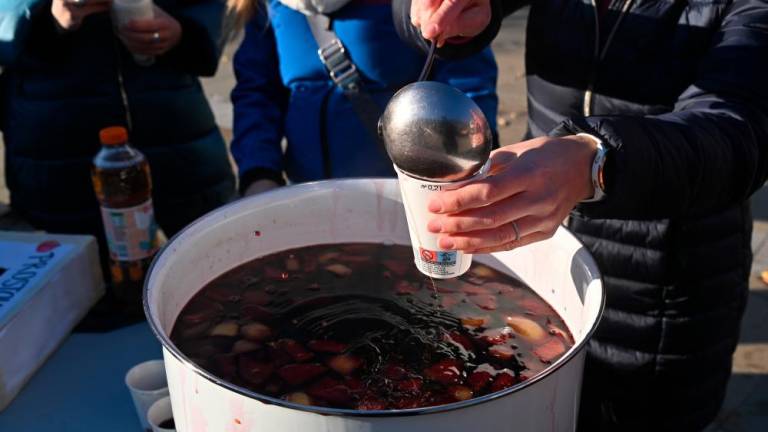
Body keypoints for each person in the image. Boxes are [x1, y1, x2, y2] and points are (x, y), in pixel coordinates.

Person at [395, 0, 768, 430]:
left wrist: (597, 162)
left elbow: (741, 132)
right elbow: (414, 16)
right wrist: (437, 12)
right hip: (534, 263)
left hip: (660, 295)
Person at [0, 0, 236, 327]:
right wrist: (39, 18)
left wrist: (186, 30)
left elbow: (213, 8)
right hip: (56, 147)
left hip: (177, 136)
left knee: (213, 298)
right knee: (76, 317)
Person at [228, 0, 499, 196]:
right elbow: (257, 93)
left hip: (410, 196)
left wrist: (468, 169)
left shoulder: (421, 5)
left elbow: (466, 87)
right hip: (306, 194)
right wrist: (259, 173)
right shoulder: (268, 7)